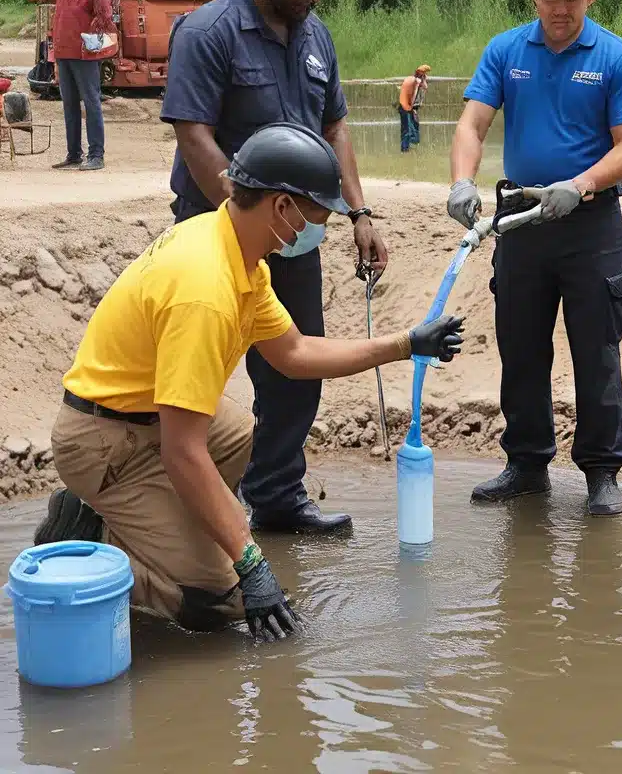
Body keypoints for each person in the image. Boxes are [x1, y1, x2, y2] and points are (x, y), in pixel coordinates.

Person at [33, 123, 464, 641]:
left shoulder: (237, 250)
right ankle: (95, 533)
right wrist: (252, 565)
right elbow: (183, 451)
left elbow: (295, 352)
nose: (319, 233)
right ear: (282, 208)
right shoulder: (205, 289)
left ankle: (172, 525)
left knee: (236, 431)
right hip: (103, 442)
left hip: (143, 419)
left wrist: (405, 344)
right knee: (222, 599)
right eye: (318, 218)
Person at [161, 0, 389, 536]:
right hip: (213, 231)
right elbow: (195, 136)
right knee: (195, 370)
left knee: (295, 370)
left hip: (294, 239)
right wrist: (244, 224)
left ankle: (277, 497)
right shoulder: (207, 32)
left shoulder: (315, 35)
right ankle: (176, 498)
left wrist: (357, 213)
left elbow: (334, 127)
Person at [448, 0, 622, 517]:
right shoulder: (506, 52)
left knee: (597, 351)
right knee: (521, 346)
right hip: (520, 224)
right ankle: (527, 464)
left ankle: (601, 473)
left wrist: (581, 184)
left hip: (590, 225)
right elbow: (471, 125)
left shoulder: (616, 57)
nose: (559, 8)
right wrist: (463, 180)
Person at [50, 0, 114, 172]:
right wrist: (54, 56)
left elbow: (106, 19)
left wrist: (94, 38)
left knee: (91, 103)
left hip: (85, 56)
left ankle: (96, 155)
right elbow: (57, 21)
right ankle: (74, 154)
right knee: (69, 105)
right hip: (64, 54)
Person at [398, 64, 430, 151]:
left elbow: (424, 87)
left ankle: (407, 148)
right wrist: (412, 109)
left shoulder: (415, 81)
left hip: (409, 108)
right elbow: (413, 96)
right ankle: (405, 150)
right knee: (407, 132)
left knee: (412, 131)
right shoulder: (415, 82)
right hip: (406, 108)